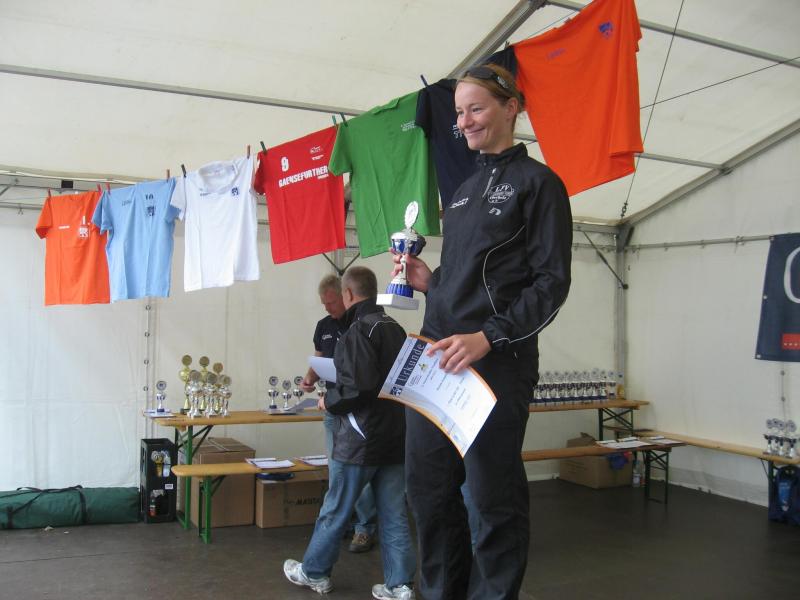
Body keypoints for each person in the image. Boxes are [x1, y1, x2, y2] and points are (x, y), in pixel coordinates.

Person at [393, 64, 573, 599]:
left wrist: (488, 337)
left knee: (493, 498)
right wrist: (430, 282)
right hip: (436, 358)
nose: (465, 121)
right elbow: (467, 278)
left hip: (495, 362)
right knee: (427, 492)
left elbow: (551, 283)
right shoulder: (463, 192)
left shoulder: (540, 184)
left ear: (510, 108)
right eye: (459, 112)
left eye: (476, 108)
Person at [285, 266, 417, 600]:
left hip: (359, 440)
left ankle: (314, 572)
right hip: (395, 436)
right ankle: (399, 585)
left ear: (347, 294)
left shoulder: (359, 330)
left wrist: (328, 400)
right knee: (394, 514)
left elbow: (358, 387)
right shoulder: (395, 328)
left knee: (336, 509)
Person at [301, 273, 378, 553]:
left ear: (346, 296)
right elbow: (319, 358)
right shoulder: (323, 326)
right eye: (324, 303)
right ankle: (342, 522)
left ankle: (364, 528)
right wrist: (309, 378)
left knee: (359, 470)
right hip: (332, 407)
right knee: (336, 470)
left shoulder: (360, 325)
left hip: (357, 411)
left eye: (332, 302)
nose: (328, 308)